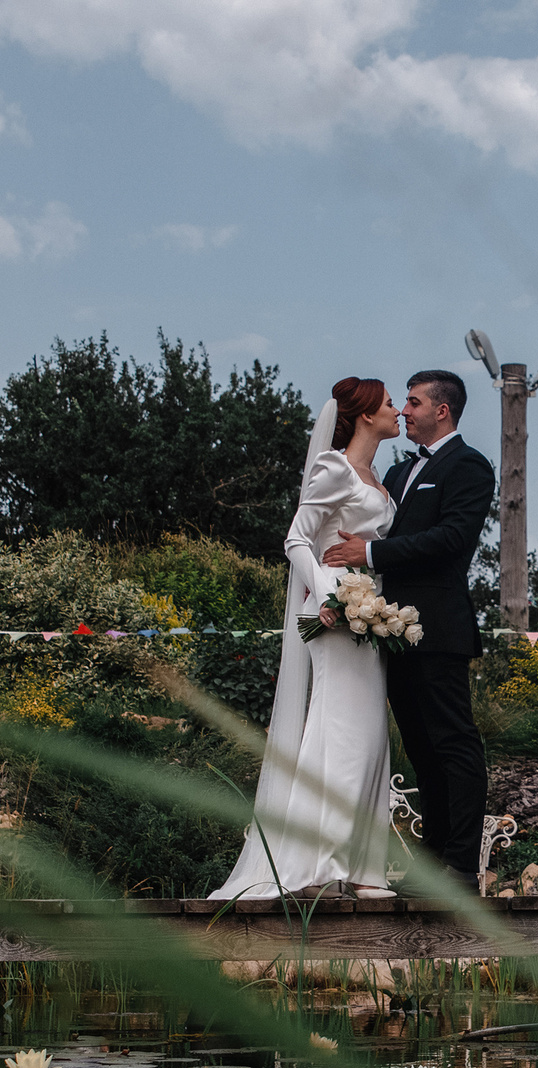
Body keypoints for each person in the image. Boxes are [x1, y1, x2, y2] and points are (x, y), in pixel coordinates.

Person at [209, 377, 401, 900]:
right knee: (341, 732)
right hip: (333, 616)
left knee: (369, 737)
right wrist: (327, 595)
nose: (398, 411)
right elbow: (296, 538)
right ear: (364, 415)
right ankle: (320, 865)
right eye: (388, 404)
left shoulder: (377, 476)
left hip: (373, 617)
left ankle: (365, 866)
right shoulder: (334, 467)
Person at [323, 368, 495, 887]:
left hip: (439, 629)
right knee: (419, 748)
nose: (404, 410)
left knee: (453, 743)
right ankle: (431, 861)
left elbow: (451, 539)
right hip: (387, 631)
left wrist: (370, 550)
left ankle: (462, 864)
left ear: (441, 410)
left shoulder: (469, 467)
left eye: (413, 402)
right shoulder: (395, 474)